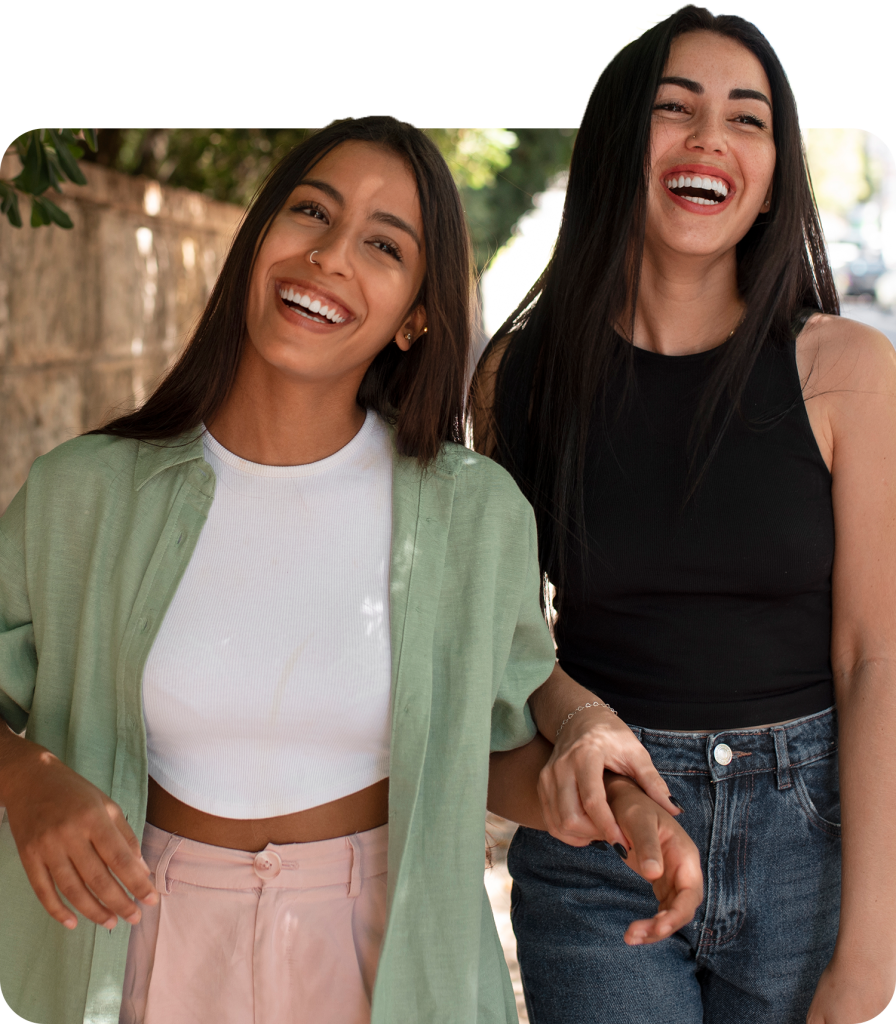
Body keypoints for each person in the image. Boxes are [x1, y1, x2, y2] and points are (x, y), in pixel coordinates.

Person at [0, 117, 701, 1024]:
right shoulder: (82, 494)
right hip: (137, 935)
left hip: (386, 955)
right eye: (310, 213)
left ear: (418, 312)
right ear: (257, 242)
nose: (330, 257)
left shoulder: (473, 514)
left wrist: (605, 805)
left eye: (382, 244)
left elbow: (483, 748)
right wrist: (26, 777)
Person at [473, 9, 896, 1024]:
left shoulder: (843, 371)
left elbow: (873, 656)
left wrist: (872, 946)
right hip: (600, 848)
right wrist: (599, 770)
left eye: (746, 120)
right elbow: (502, 638)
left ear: (769, 173)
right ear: (621, 139)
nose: (710, 139)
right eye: (675, 108)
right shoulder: (517, 375)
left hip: (812, 838)